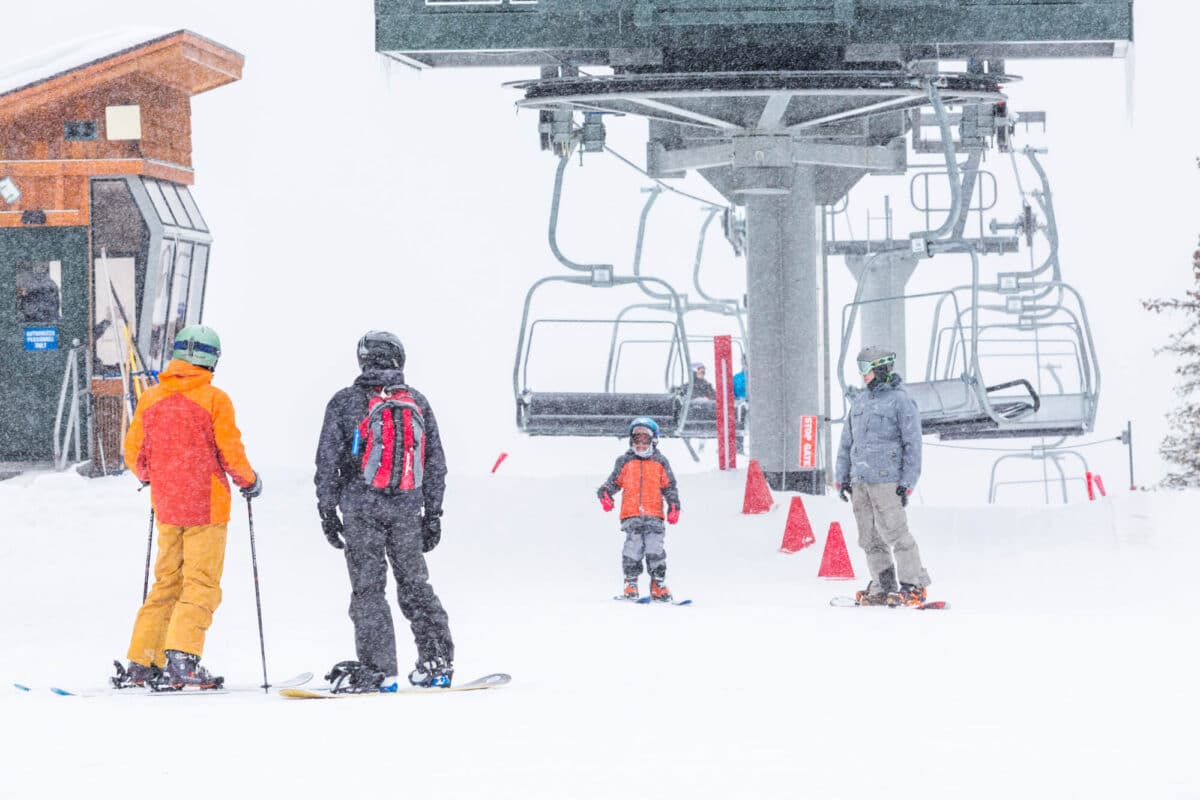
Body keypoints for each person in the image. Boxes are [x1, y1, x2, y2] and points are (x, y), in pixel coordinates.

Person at [115, 325, 261, 689]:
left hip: (168, 504)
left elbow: (133, 453)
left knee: (166, 582)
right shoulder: (214, 399)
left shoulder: (151, 398)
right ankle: (182, 656)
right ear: (211, 359)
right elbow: (231, 452)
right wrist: (249, 481)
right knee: (201, 584)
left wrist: (155, 476)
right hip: (206, 507)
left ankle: (142, 660)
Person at [314, 331, 453, 689]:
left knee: (369, 589)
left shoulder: (345, 402)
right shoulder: (417, 401)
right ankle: (436, 661)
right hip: (407, 507)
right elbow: (434, 462)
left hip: (361, 508)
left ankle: (380, 669)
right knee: (415, 585)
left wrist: (328, 511)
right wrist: (433, 514)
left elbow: (327, 462)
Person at [835, 344, 930, 607]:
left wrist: (907, 482)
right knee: (869, 537)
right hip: (860, 480)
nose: (862, 374)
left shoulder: (901, 401)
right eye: (860, 368)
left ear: (879, 368)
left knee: (896, 533)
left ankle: (914, 584)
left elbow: (913, 444)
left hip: (887, 480)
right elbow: (847, 443)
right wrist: (842, 476)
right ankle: (884, 583)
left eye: (864, 368)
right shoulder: (860, 402)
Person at [597, 417, 682, 601]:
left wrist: (674, 506)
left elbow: (670, 487)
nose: (641, 445)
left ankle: (658, 583)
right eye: (637, 441)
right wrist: (605, 493)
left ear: (654, 441)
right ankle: (630, 583)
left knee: (655, 549)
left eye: (645, 441)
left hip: (654, 515)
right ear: (631, 441)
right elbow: (613, 482)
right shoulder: (625, 461)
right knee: (632, 548)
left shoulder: (660, 462)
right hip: (632, 514)